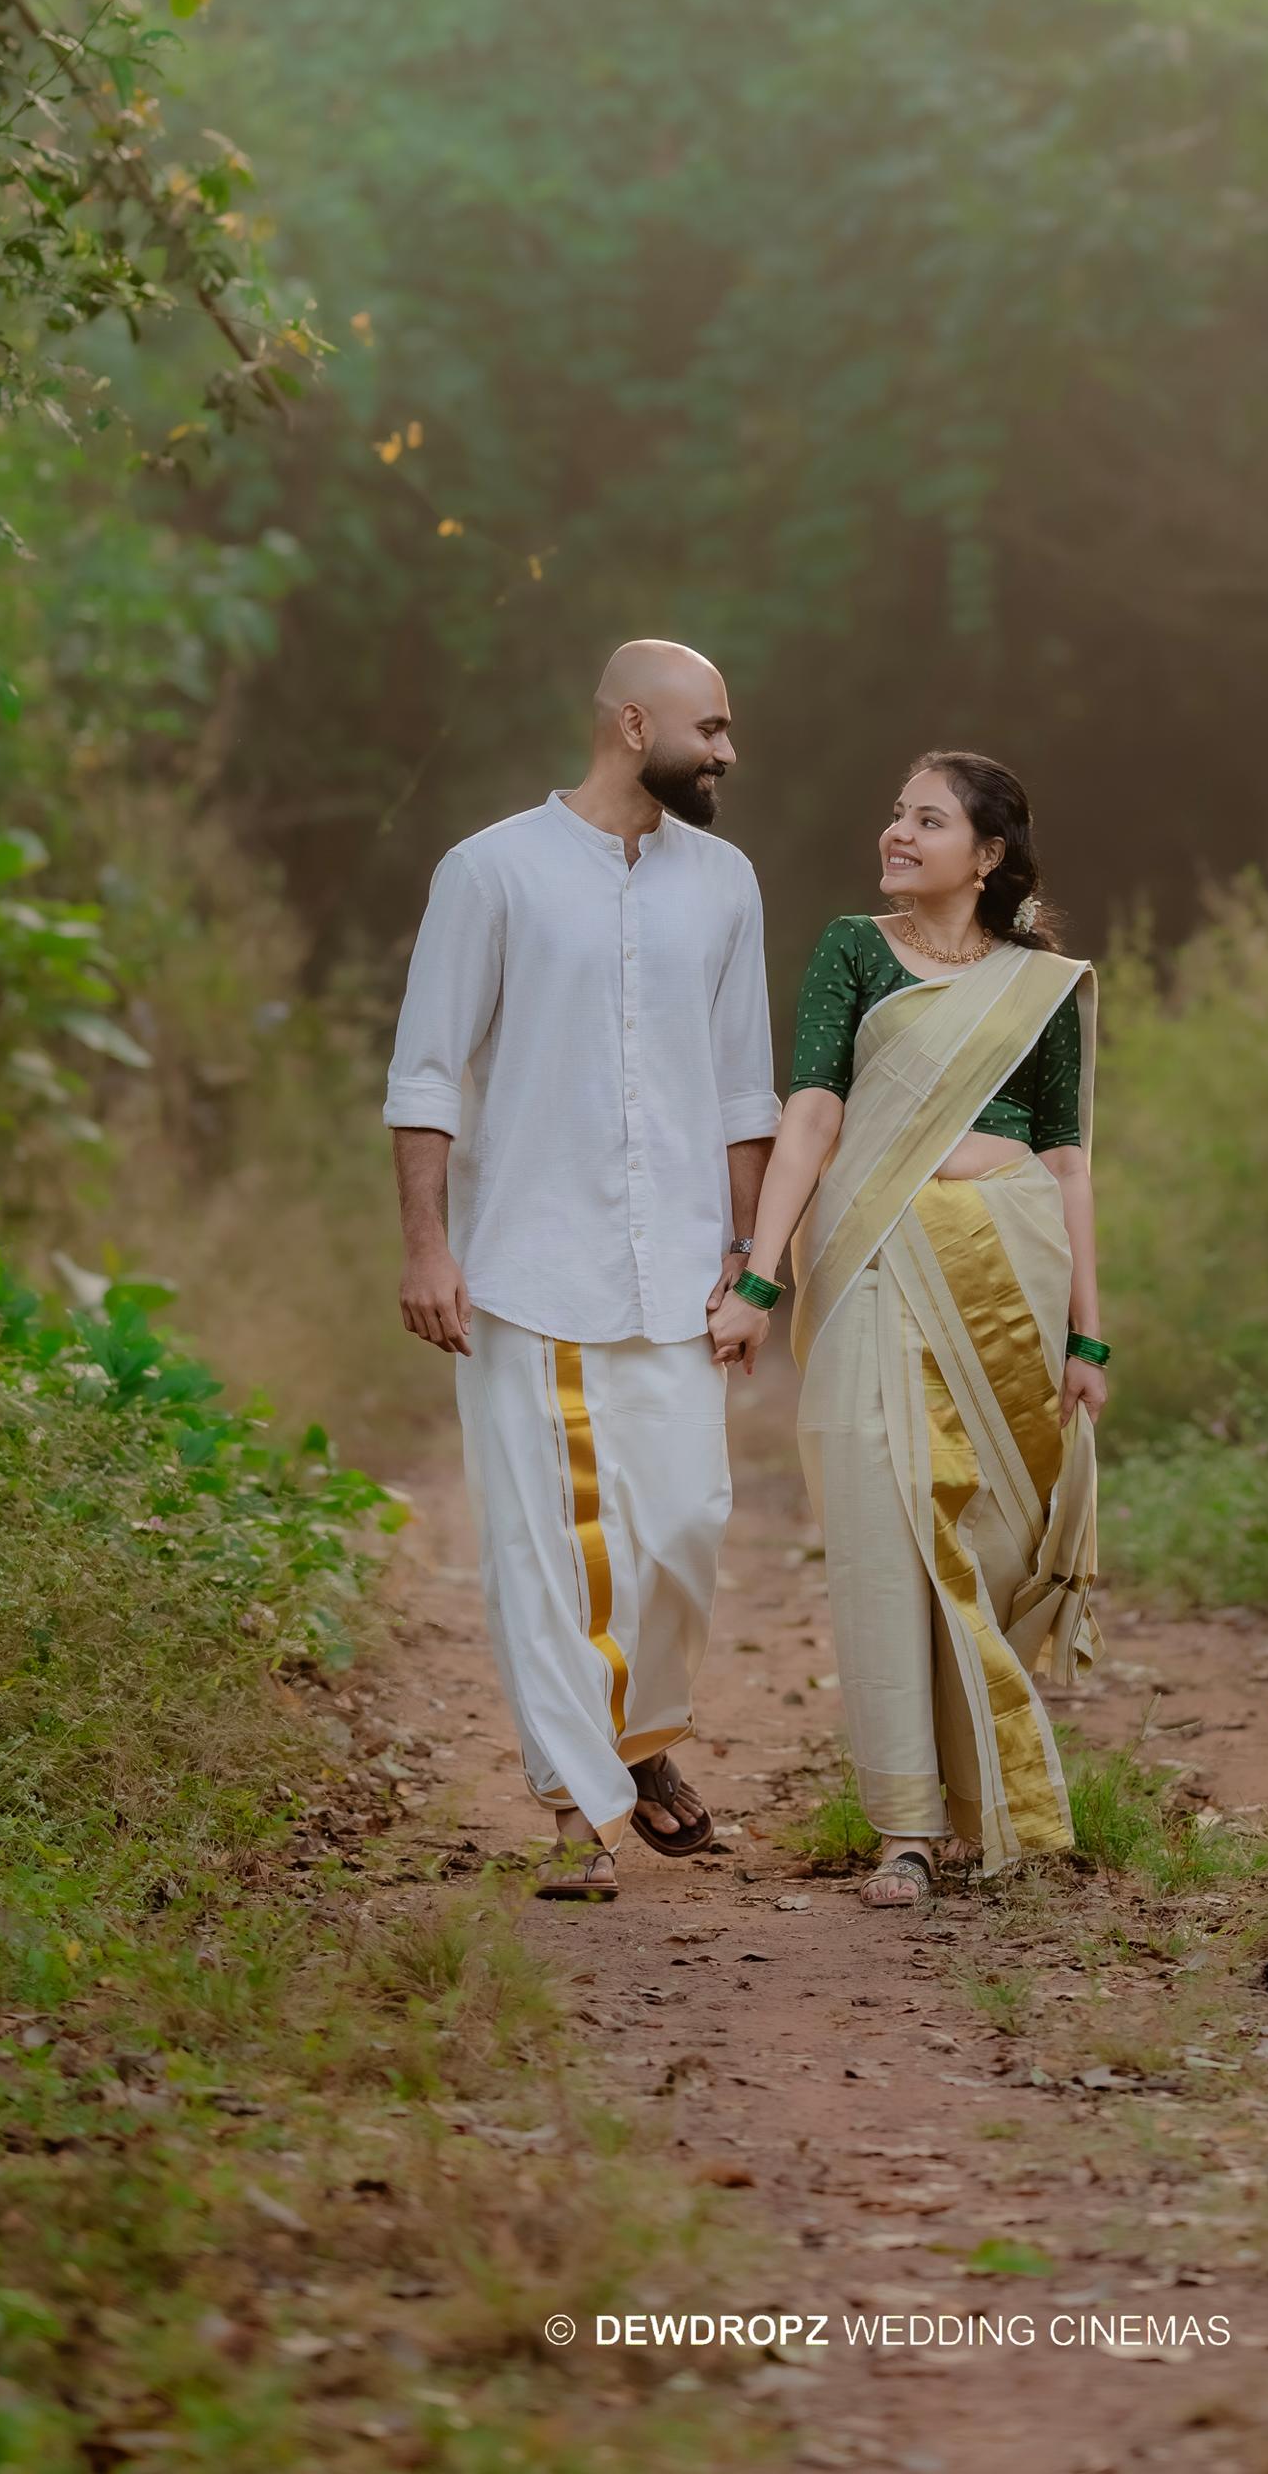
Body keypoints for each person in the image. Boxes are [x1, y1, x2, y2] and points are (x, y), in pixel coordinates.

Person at [387, 640, 777, 1900]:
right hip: (525, 1268)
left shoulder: (725, 882)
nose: (724, 751)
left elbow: (741, 1090)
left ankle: (643, 1734)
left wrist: (747, 1263)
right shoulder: (490, 868)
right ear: (629, 722)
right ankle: (577, 1810)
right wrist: (428, 1244)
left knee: (683, 1526)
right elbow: (428, 1068)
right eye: (708, 728)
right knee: (541, 1546)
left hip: (677, 1269)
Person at [711, 749, 1106, 1908]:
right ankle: (909, 1826)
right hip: (877, 1266)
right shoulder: (851, 948)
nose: (897, 831)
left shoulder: (1043, 985)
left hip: (1012, 1274)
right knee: (887, 1524)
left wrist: (1089, 1337)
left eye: (926, 819)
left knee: (985, 1535)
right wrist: (757, 1278)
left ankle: (989, 1795)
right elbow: (813, 1115)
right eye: (895, 812)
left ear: (986, 856)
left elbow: (1071, 1160)